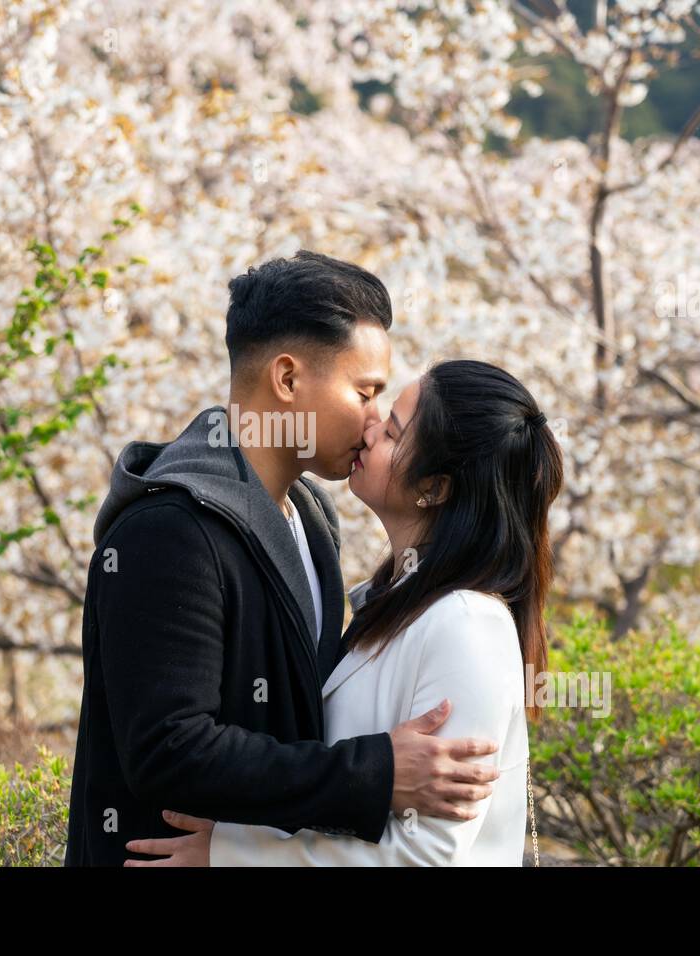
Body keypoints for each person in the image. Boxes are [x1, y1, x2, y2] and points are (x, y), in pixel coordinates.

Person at [64, 252, 501, 866]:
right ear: (289, 379)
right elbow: (170, 748)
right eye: (364, 392)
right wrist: (374, 772)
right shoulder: (170, 528)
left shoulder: (313, 520)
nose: (375, 421)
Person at [124, 359, 564, 865]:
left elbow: (429, 854)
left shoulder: (467, 624)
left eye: (394, 432)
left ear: (435, 488)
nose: (369, 429)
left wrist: (231, 856)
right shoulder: (396, 601)